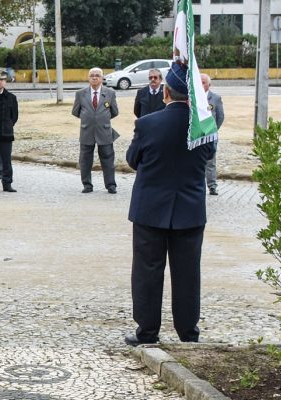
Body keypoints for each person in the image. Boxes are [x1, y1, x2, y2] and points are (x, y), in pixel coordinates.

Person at [124, 60, 214, 346]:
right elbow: (208, 157)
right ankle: (189, 334)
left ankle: (147, 333)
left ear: (166, 92)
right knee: (188, 275)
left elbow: (132, 160)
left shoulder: (148, 123)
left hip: (151, 209)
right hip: (189, 211)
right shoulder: (204, 127)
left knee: (147, 273)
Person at [72, 67, 121, 194]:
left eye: (97, 75)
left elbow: (114, 112)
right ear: (88, 78)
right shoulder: (80, 93)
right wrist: (89, 119)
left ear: (102, 78)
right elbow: (75, 111)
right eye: (92, 75)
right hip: (86, 131)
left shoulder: (110, 93)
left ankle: (111, 185)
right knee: (85, 160)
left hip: (104, 131)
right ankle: (87, 185)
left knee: (108, 159)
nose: (94, 77)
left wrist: (101, 120)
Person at [201, 73, 225, 196]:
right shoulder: (192, 98)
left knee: (210, 162)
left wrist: (213, 129)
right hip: (197, 135)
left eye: (203, 82)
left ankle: (212, 186)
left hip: (210, 135)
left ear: (209, 85)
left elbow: (220, 117)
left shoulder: (215, 98)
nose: (201, 84)